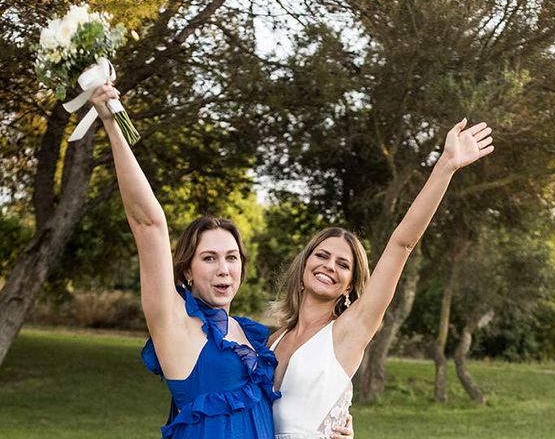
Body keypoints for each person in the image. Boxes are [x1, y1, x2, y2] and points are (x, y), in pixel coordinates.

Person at [89, 84, 353, 439]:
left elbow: (293, 405)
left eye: (231, 258)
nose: (223, 268)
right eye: (209, 258)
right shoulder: (174, 324)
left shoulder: (255, 337)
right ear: (187, 271)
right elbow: (148, 224)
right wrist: (113, 124)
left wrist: (334, 430)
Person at [269, 118, 494, 438]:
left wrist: (446, 166)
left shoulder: (350, 329)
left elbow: (402, 244)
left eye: (343, 264)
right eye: (321, 255)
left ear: (350, 284)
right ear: (304, 267)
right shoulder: (274, 339)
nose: (329, 266)